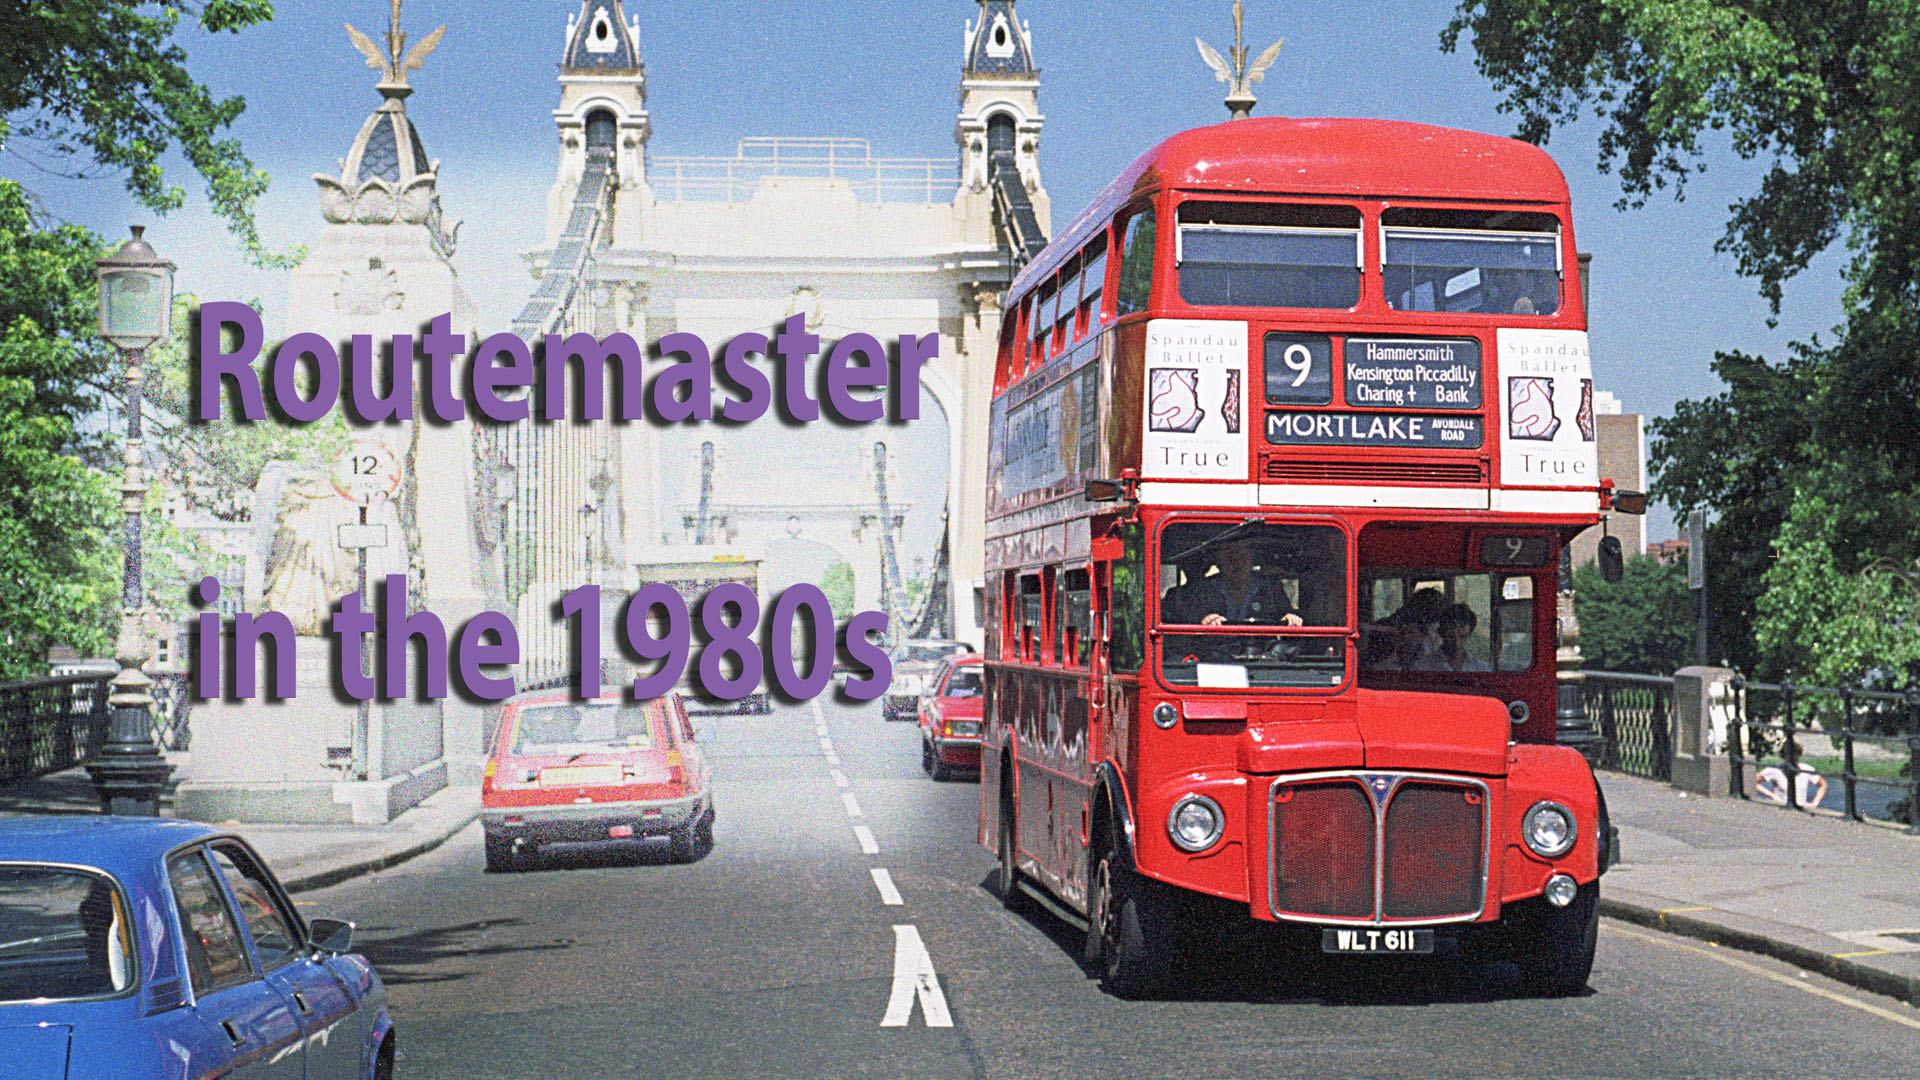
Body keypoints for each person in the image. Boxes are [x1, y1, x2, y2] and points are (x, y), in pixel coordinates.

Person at [1161, 538, 1302, 627]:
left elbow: (1285, 614)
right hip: (1216, 656)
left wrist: (1290, 618)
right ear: (1219, 562)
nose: (1236, 564)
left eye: (1242, 557)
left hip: (1261, 657)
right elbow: (1189, 623)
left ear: (1252, 560)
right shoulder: (1203, 589)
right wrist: (1205, 620)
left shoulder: (1270, 587)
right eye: (1230, 558)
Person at [1413, 603, 1492, 672]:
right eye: (1451, 636)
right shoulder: (1422, 667)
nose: (1457, 643)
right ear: (1441, 633)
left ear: (1469, 634)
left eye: (1462, 637)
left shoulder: (1481, 668)